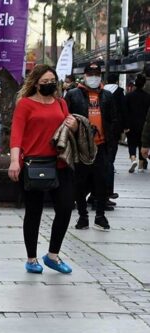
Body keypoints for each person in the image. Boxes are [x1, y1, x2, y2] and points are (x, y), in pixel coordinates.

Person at [8, 64, 77, 275]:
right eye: (44, 82)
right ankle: (31, 258)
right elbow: (16, 134)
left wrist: (73, 125)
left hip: (59, 163)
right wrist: (14, 161)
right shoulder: (25, 105)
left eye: (52, 82)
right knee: (34, 211)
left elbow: (67, 128)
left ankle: (53, 255)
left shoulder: (61, 103)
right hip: (34, 164)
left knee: (65, 208)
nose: (49, 85)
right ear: (36, 84)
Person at [65, 62, 118, 231]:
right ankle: (82, 216)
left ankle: (100, 216)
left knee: (101, 182)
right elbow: (65, 118)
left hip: (101, 146)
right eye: (90, 73)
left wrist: (111, 141)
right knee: (80, 183)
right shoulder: (73, 95)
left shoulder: (107, 96)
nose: (93, 77)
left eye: (96, 73)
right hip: (81, 148)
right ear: (85, 75)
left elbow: (113, 119)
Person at [103, 72, 125, 199]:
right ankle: (106, 191)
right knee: (109, 159)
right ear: (116, 80)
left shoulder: (102, 92)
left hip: (100, 129)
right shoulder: (119, 92)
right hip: (114, 129)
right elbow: (123, 109)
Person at [125, 75, 150, 173]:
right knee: (141, 144)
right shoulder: (148, 97)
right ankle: (140, 165)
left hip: (131, 124)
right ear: (144, 84)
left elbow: (125, 111)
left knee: (131, 143)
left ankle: (133, 159)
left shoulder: (129, 96)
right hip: (144, 124)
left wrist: (125, 125)